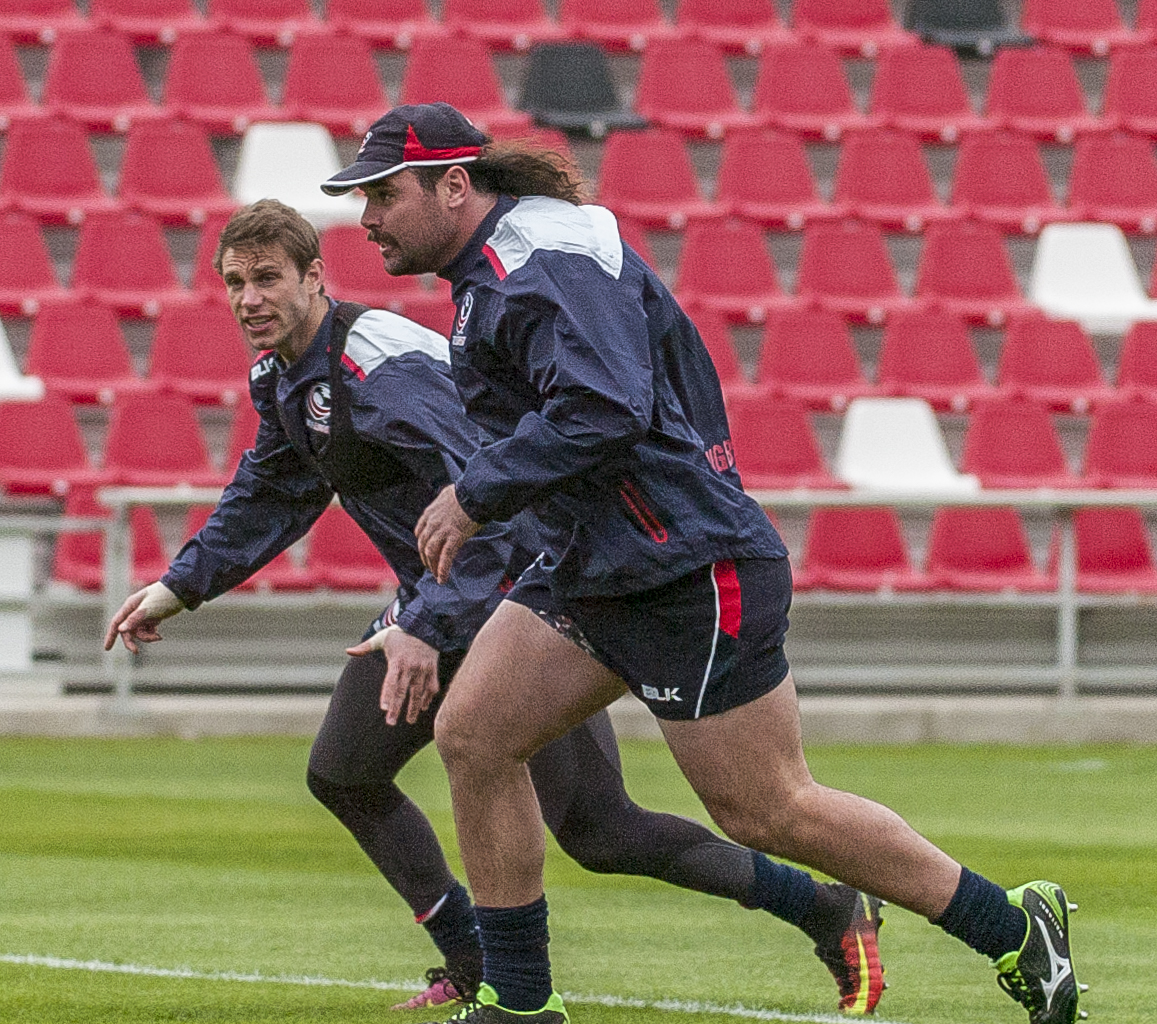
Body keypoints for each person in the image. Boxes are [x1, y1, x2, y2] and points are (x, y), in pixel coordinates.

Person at [320, 102, 1087, 1024]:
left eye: (383, 194)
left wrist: (476, 491)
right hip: (593, 564)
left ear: (454, 185)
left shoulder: (539, 263)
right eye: (359, 197)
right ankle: (518, 1004)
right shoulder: (500, 265)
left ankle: (1011, 928)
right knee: (475, 736)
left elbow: (605, 405)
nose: (367, 217)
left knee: (769, 811)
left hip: (685, 566)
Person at [103, 197, 889, 1015]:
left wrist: (427, 619)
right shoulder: (286, 376)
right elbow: (269, 492)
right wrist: (177, 587)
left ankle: (822, 906)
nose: (248, 298)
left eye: (267, 278)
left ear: (313, 278)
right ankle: (478, 965)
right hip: (434, 609)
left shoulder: (382, 362)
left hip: (517, 596)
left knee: (599, 830)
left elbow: (495, 493)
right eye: (234, 282)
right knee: (345, 772)